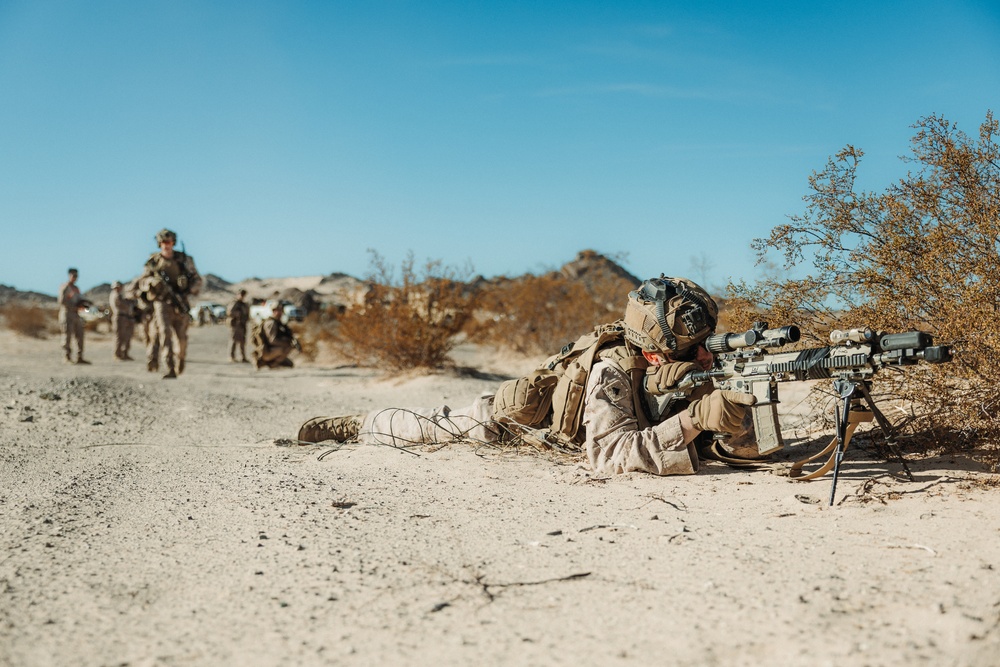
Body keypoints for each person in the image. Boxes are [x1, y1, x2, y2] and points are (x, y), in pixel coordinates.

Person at [297, 276, 758, 476]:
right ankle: (362, 423)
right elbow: (612, 456)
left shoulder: (697, 366)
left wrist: (736, 410)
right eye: (691, 350)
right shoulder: (612, 370)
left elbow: (740, 446)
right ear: (654, 356)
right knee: (431, 427)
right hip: (516, 422)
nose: (704, 356)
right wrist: (695, 419)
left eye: (707, 344)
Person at [134, 228, 202, 379]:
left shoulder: (184, 260)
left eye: (169, 242)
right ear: (159, 243)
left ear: (174, 243)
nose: (166, 245)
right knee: (164, 334)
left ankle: (181, 359)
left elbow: (198, 279)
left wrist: (189, 288)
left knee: (182, 338)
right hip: (162, 303)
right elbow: (142, 281)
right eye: (163, 242)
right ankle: (169, 367)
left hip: (180, 302)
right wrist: (153, 282)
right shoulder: (153, 262)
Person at [252, 300, 299, 369]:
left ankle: (273, 361)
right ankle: (269, 363)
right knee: (288, 346)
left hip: (271, 349)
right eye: (278, 310)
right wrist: (286, 342)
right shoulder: (271, 323)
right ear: (274, 311)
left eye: (281, 311)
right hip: (266, 351)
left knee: (290, 364)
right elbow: (272, 340)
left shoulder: (278, 322)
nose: (280, 313)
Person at [57, 267, 90, 364]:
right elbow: (61, 301)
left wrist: (84, 304)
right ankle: (66, 357)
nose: (75, 278)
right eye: (74, 275)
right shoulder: (65, 287)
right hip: (67, 313)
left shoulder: (76, 288)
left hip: (76, 314)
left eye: (77, 276)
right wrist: (74, 306)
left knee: (80, 335)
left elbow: (80, 300)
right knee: (67, 336)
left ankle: (80, 357)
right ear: (69, 275)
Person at [109, 281, 135, 361]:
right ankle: (117, 355)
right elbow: (123, 305)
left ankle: (124, 354)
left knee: (125, 336)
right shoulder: (116, 295)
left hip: (124, 317)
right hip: (119, 317)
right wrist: (129, 304)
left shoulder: (119, 295)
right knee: (119, 337)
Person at [227, 289, 251, 363]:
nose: (242, 296)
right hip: (236, 324)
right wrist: (238, 314)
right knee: (234, 340)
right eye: (241, 294)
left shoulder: (243, 304)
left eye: (243, 295)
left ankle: (243, 357)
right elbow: (229, 312)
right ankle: (231, 356)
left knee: (242, 341)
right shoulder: (235, 303)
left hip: (242, 324)